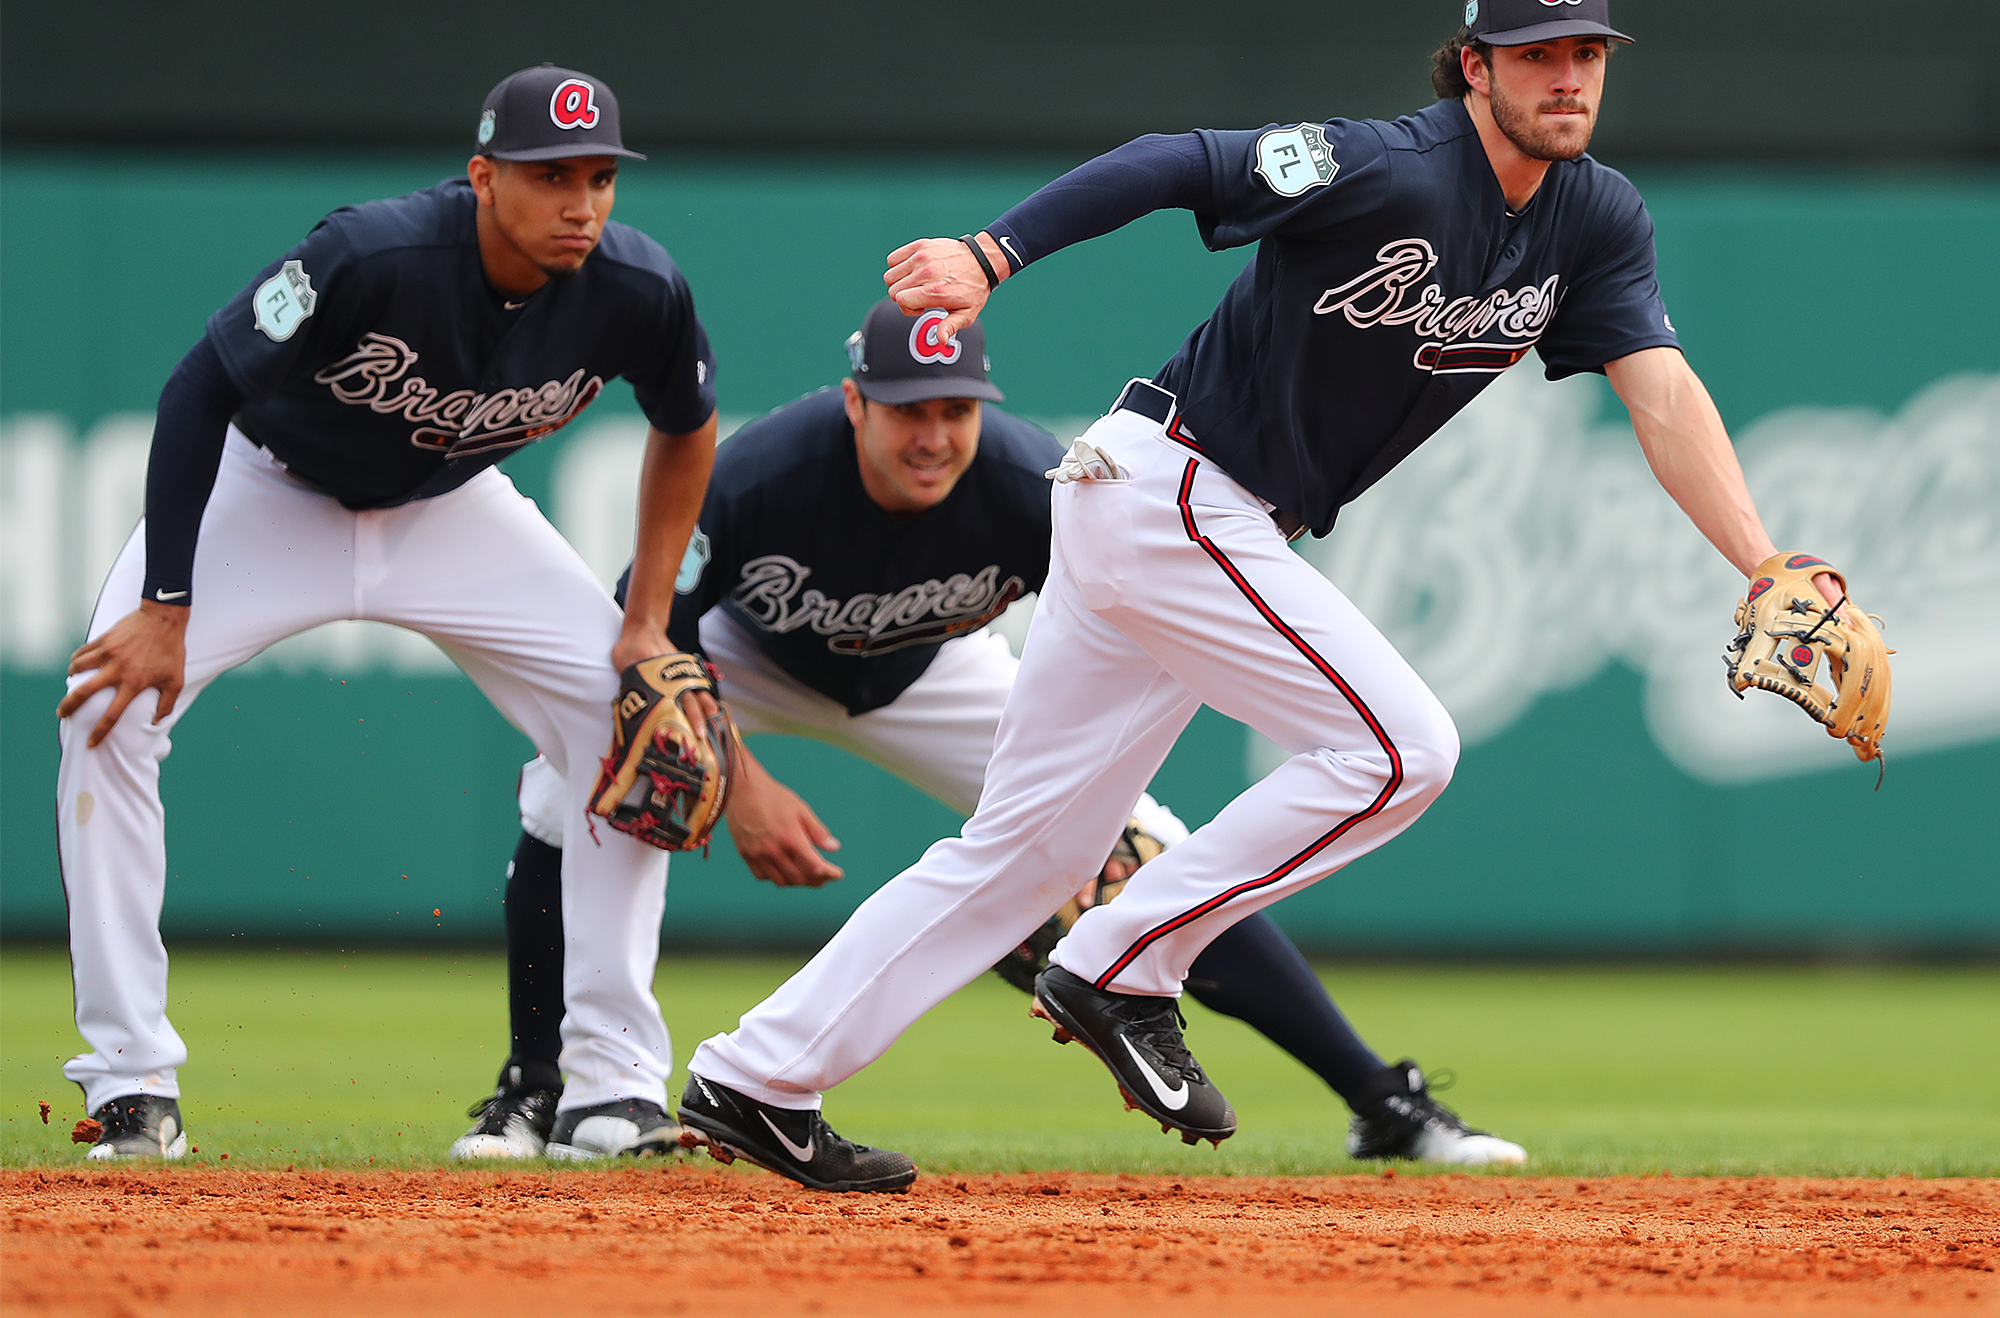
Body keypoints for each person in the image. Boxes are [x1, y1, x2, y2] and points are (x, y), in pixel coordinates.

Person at [674, 0, 1848, 1193]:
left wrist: (1761, 559)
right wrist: (989, 254)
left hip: (1176, 515)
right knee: (1398, 751)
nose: (1565, 76)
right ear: (1472, 66)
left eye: (1585, 54)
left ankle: (757, 1076)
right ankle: (1122, 962)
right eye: (1535, 53)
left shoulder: (1594, 216)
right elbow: (1178, 160)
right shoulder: (1384, 164)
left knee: (1022, 852)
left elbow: (1657, 388)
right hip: (1177, 492)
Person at [451, 300, 1525, 1172]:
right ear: (852, 403)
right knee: (589, 770)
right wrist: (738, 780)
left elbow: (1122, 633)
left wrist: (1052, 849)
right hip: (750, 664)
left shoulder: (1024, 483)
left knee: (1128, 849)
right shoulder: (763, 474)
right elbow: (648, 654)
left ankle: (1377, 1101)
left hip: (932, 672)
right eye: (906, 408)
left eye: (953, 407)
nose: (932, 434)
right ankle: (555, 1089)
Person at [54, 65, 718, 1160]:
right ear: (482, 176)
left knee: (631, 717)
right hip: (269, 491)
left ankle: (610, 1087)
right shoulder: (369, 255)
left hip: (449, 509)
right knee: (103, 711)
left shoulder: (638, 288)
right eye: (550, 176)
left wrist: (646, 617)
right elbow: (198, 386)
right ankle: (130, 1082)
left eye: (598, 176)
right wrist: (167, 599)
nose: (581, 202)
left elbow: (686, 424)